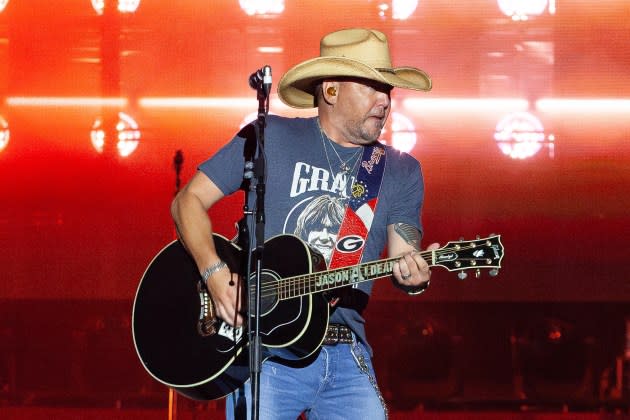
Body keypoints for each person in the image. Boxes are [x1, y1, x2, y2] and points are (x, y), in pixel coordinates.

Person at [171, 27, 439, 420]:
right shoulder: (269, 137)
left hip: (346, 350)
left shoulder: (399, 170)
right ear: (330, 91)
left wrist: (415, 272)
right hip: (265, 353)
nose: (385, 101)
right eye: (371, 87)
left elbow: (404, 253)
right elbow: (187, 201)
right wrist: (213, 272)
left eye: (389, 91)